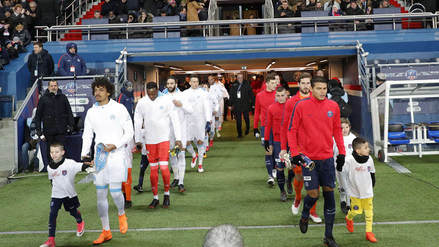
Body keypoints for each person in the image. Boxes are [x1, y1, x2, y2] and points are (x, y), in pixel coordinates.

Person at [287, 76, 345, 247]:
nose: (322, 92)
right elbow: (292, 130)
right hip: (308, 160)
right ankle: (305, 214)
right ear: (311, 89)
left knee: (329, 194)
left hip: (327, 159)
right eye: (318, 88)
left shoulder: (333, 106)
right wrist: (295, 153)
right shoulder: (301, 106)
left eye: (324, 89)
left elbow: (337, 131)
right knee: (313, 194)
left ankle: (328, 236)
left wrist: (341, 153)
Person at [81, 77, 133, 245]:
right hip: (100, 158)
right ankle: (106, 231)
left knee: (116, 192)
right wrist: (84, 153)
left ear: (108, 91)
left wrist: (115, 145)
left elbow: (129, 132)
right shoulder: (91, 112)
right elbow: (87, 134)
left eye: (101, 89)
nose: (97, 92)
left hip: (117, 156)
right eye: (95, 90)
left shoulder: (119, 108)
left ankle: (121, 213)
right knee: (100, 195)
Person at [279, 72, 322, 223]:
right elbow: (285, 126)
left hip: (315, 146)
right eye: (303, 83)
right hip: (297, 146)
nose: (305, 86)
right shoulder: (291, 102)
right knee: (299, 177)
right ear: (298, 84)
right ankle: (297, 198)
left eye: (308, 83)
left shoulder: (317, 99)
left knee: (314, 180)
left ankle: (313, 211)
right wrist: (284, 148)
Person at [134, 82, 182, 208]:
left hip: (163, 139)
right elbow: (137, 120)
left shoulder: (166, 100)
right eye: (149, 94)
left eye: (154, 93)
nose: (152, 96)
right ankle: (155, 198)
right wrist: (138, 139)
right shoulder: (142, 103)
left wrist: (178, 138)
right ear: (146, 92)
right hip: (149, 140)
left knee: (164, 168)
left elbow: (175, 119)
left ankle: (166, 195)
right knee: (153, 170)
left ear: (157, 91)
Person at [40, 142, 92, 247]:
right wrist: (55, 191)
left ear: (62, 152)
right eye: (52, 152)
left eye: (57, 152)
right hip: (56, 195)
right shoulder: (49, 167)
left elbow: (81, 166)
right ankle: (51, 240)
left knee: (73, 212)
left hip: (69, 194)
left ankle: (80, 221)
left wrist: (89, 164)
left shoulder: (69, 163)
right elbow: (52, 180)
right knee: (52, 214)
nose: (54, 154)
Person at [32, 80, 74, 166]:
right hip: (49, 132)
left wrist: (71, 126)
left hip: (61, 131)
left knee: (61, 151)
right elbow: (38, 117)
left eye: (55, 85)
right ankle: (52, 170)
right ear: (48, 87)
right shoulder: (43, 99)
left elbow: (69, 112)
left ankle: (63, 169)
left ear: (58, 86)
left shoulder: (63, 97)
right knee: (50, 152)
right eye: (51, 86)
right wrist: (39, 132)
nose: (53, 87)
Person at [344, 137, 377, 243]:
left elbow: (372, 173)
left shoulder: (370, 159)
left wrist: (372, 185)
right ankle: (349, 218)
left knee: (369, 212)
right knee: (356, 211)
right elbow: (344, 173)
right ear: (358, 150)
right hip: (355, 192)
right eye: (366, 148)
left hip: (367, 192)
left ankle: (369, 232)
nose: (369, 149)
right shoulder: (349, 160)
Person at [162, 77, 193, 192]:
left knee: (181, 154)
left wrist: (181, 105)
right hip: (168, 131)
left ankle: (181, 182)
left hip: (181, 130)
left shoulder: (183, 96)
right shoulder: (164, 98)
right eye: (168, 83)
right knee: (171, 154)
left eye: (172, 83)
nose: (170, 85)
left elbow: (190, 110)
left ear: (176, 84)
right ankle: (175, 177)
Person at [182, 76, 211, 173]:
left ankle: (200, 164)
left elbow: (207, 107)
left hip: (200, 121)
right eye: (193, 82)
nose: (195, 83)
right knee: (186, 142)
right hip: (188, 121)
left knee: (200, 142)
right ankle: (194, 155)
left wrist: (208, 120)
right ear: (189, 83)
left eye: (196, 82)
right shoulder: (184, 94)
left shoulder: (203, 93)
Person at [264, 86, 288, 201]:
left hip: (291, 141)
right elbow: (268, 125)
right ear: (275, 96)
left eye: (282, 95)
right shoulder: (271, 108)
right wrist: (267, 140)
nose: (280, 98)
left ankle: (290, 181)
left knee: (294, 168)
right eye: (278, 96)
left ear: (286, 95)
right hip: (278, 141)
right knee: (280, 167)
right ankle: (282, 190)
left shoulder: (292, 106)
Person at [254, 74, 277, 185]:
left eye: (275, 83)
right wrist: (255, 128)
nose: (275, 85)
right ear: (266, 83)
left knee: (276, 152)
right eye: (272, 83)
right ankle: (270, 176)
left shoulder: (278, 95)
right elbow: (257, 111)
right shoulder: (259, 96)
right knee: (269, 151)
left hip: (277, 127)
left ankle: (275, 169)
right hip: (265, 127)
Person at [334, 118, 356, 214]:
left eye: (346, 127)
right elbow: (332, 152)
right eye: (342, 128)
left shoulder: (353, 138)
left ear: (349, 127)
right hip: (339, 166)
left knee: (350, 185)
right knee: (343, 186)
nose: (345, 129)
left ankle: (348, 204)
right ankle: (342, 200)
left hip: (351, 166)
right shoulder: (334, 139)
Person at [229, 73, 254, 138]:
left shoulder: (247, 84)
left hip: (245, 104)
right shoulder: (234, 85)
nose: (240, 79)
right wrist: (230, 104)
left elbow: (251, 94)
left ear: (243, 78)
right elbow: (231, 95)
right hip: (237, 105)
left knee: (246, 118)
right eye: (239, 78)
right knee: (238, 120)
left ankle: (247, 129)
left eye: (241, 77)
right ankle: (239, 133)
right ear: (237, 78)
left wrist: (253, 103)